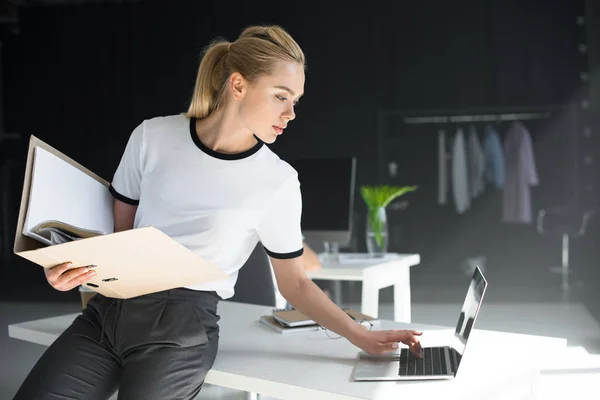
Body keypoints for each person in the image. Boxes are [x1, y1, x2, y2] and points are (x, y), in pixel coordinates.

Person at [14, 25, 423, 400]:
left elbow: (295, 284)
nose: (291, 114)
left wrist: (361, 336)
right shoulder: (152, 136)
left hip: (180, 329)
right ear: (238, 85)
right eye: (281, 96)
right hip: (105, 315)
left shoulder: (277, 180)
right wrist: (71, 269)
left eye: (296, 101)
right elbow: (115, 240)